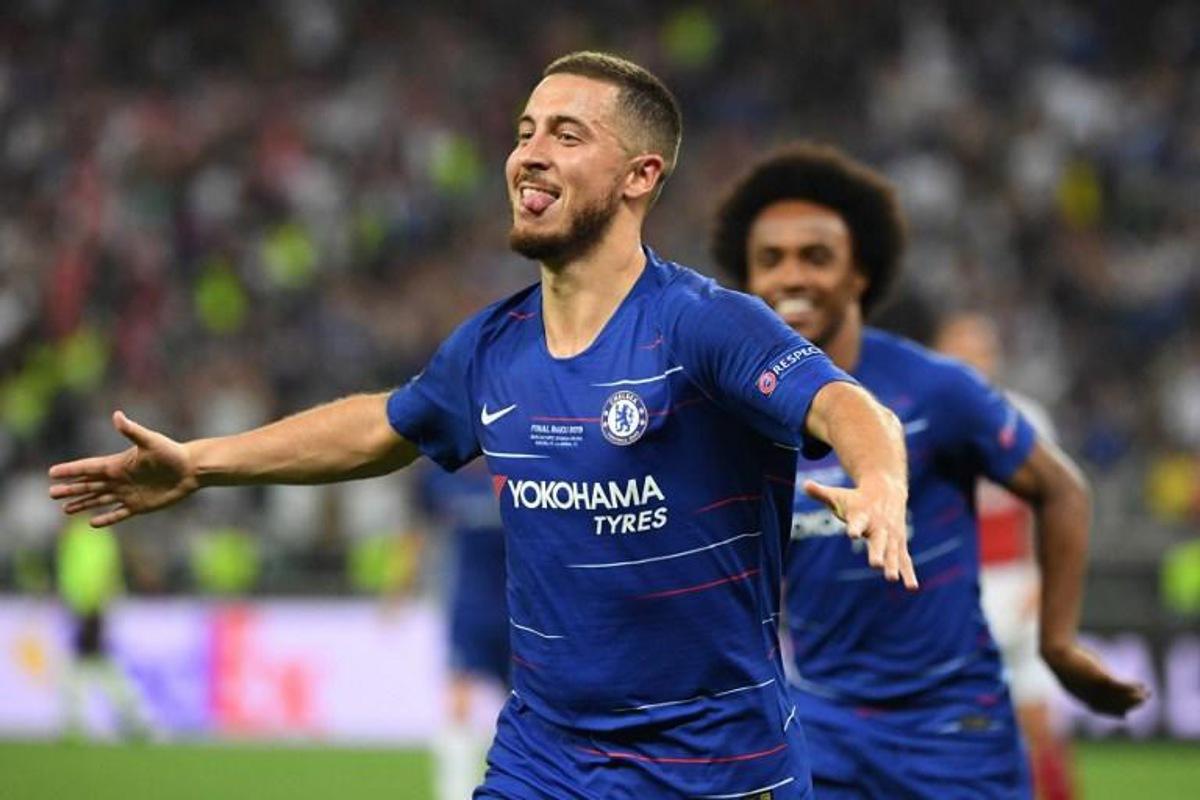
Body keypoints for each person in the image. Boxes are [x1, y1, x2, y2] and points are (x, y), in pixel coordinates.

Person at [50, 53, 916, 799]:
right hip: (546, 761)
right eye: (526, 130)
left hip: (720, 770)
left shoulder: (703, 325)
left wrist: (878, 477)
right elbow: (381, 428)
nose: (530, 155)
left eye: (567, 136)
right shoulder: (491, 348)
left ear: (640, 176)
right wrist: (202, 463)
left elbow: (844, 404)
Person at [712, 141, 1147, 798]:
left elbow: (1061, 489)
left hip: (951, 728)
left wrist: (1057, 644)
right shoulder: (743, 411)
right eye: (770, 260)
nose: (791, 276)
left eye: (816, 256)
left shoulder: (936, 390)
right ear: (748, 281)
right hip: (822, 723)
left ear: (860, 272)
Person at [935, 311, 1077, 800]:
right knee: (959, 721)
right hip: (955, 585)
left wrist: (1044, 579)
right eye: (960, 350)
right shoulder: (921, 417)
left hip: (1016, 582)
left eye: (979, 351)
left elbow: (1053, 503)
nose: (971, 362)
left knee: (1038, 717)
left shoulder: (1025, 416)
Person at [418, 461, 511, 800]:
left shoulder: (520, 467)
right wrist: (399, 588)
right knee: (458, 697)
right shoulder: (439, 478)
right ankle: (454, 792)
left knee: (522, 704)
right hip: (467, 608)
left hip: (518, 611)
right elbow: (419, 531)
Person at [56, 516, 148, 740]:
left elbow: (91, 573)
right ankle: (129, 716)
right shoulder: (93, 535)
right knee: (92, 662)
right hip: (88, 607)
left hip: (91, 608)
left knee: (89, 662)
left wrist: (90, 605)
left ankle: (126, 716)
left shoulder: (85, 535)